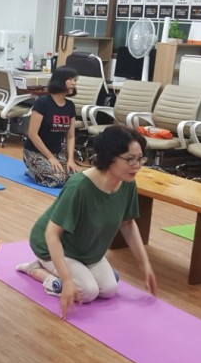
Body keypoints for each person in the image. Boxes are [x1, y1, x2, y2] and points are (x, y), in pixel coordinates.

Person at [16, 125, 157, 318]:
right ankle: (38, 270)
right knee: (88, 293)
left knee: (109, 290)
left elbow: (128, 223)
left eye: (140, 158)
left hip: (86, 250)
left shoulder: (127, 183)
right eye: (130, 159)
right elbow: (51, 234)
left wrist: (144, 264)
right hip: (52, 246)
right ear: (109, 157)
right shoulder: (79, 187)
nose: (137, 165)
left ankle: (81, 274)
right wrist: (66, 281)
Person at [22, 66, 81, 188]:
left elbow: (70, 137)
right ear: (60, 80)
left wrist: (70, 159)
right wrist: (50, 157)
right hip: (35, 152)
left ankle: (47, 169)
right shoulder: (42, 102)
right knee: (58, 179)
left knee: (74, 178)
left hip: (57, 150)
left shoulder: (70, 105)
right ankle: (33, 172)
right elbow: (32, 134)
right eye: (70, 79)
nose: (74, 83)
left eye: (75, 80)